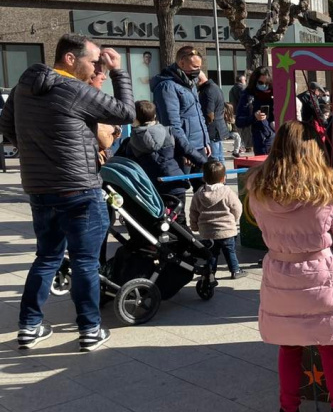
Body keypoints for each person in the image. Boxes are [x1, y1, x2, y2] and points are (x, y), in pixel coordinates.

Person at [0, 34, 135, 351]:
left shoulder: (22, 88)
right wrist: (118, 72)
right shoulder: (74, 89)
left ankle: (29, 326)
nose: (95, 67)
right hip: (79, 188)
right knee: (85, 262)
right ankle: (89, 329)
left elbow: (7, 128)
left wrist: (34, 152)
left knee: (46, 258)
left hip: (40, 188)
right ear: (70, 59)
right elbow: (126, 114)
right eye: (93, 61)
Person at [248, 120, 333, 412]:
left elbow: (261, 227)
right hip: (320, 276)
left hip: (280, 275)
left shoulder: (259, 188)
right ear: (312, 148)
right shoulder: (328, 188)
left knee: (289, 346)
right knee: (331, 345)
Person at [117, 100, 192, 207]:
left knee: (158, 219)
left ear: (135, 119)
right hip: (175, 182)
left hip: (150, 187)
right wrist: (206, 165)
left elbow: (122, 164)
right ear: (155, 115)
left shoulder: (130, 143)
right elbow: (189, 150)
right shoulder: (169, 132)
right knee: (178, 217)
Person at [151, 46, 211, 180]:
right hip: (182, 149)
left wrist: (205, 140)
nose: (198, 70)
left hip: (199, 146)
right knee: (179, 190)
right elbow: (172, 124)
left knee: (206, 189)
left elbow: (198, 113)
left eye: (199, 67)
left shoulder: (189, 83)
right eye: (194, 66)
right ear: (181, 63)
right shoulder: (167, 86)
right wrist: (186, 150)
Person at [190, 160, 244, 281]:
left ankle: (210, 273)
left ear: (204, 178)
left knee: (211, 254)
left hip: (207, 232)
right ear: (223, 178)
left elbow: (193, 212)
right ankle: (235, 270)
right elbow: (237, 207)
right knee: (230, 251)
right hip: (227, 231)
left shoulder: (198, 194)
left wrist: (194, 226)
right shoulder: (227, 192)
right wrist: (234, 220)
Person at [236, 66, 275, 155]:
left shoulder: (277, 93)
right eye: (261, 82)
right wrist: (254, 117)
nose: (264, 85)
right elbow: (239, 121)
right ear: (255, 81)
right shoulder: (248, 96)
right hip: (261, 141)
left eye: (267, 83)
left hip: (278, 138)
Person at [198, 71, 230, 163]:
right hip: (219, 127)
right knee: (220, 156)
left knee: (214, 158)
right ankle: (222, 176)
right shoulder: (215, 87)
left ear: (198, 80)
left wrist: (203, 125)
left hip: (212, 129)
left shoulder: (208, 90)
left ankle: (217, 177)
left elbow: (209, 113)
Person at [228, 73, 250, 152]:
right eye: (245, 80)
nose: (246, 81)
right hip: (243, 113)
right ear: (242, 80)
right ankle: (244, 146)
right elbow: (246, 100)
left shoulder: (232, 89)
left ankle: (240, 146)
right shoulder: (242, 88)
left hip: (234, 112)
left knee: (238, 131)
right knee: (245, 131)